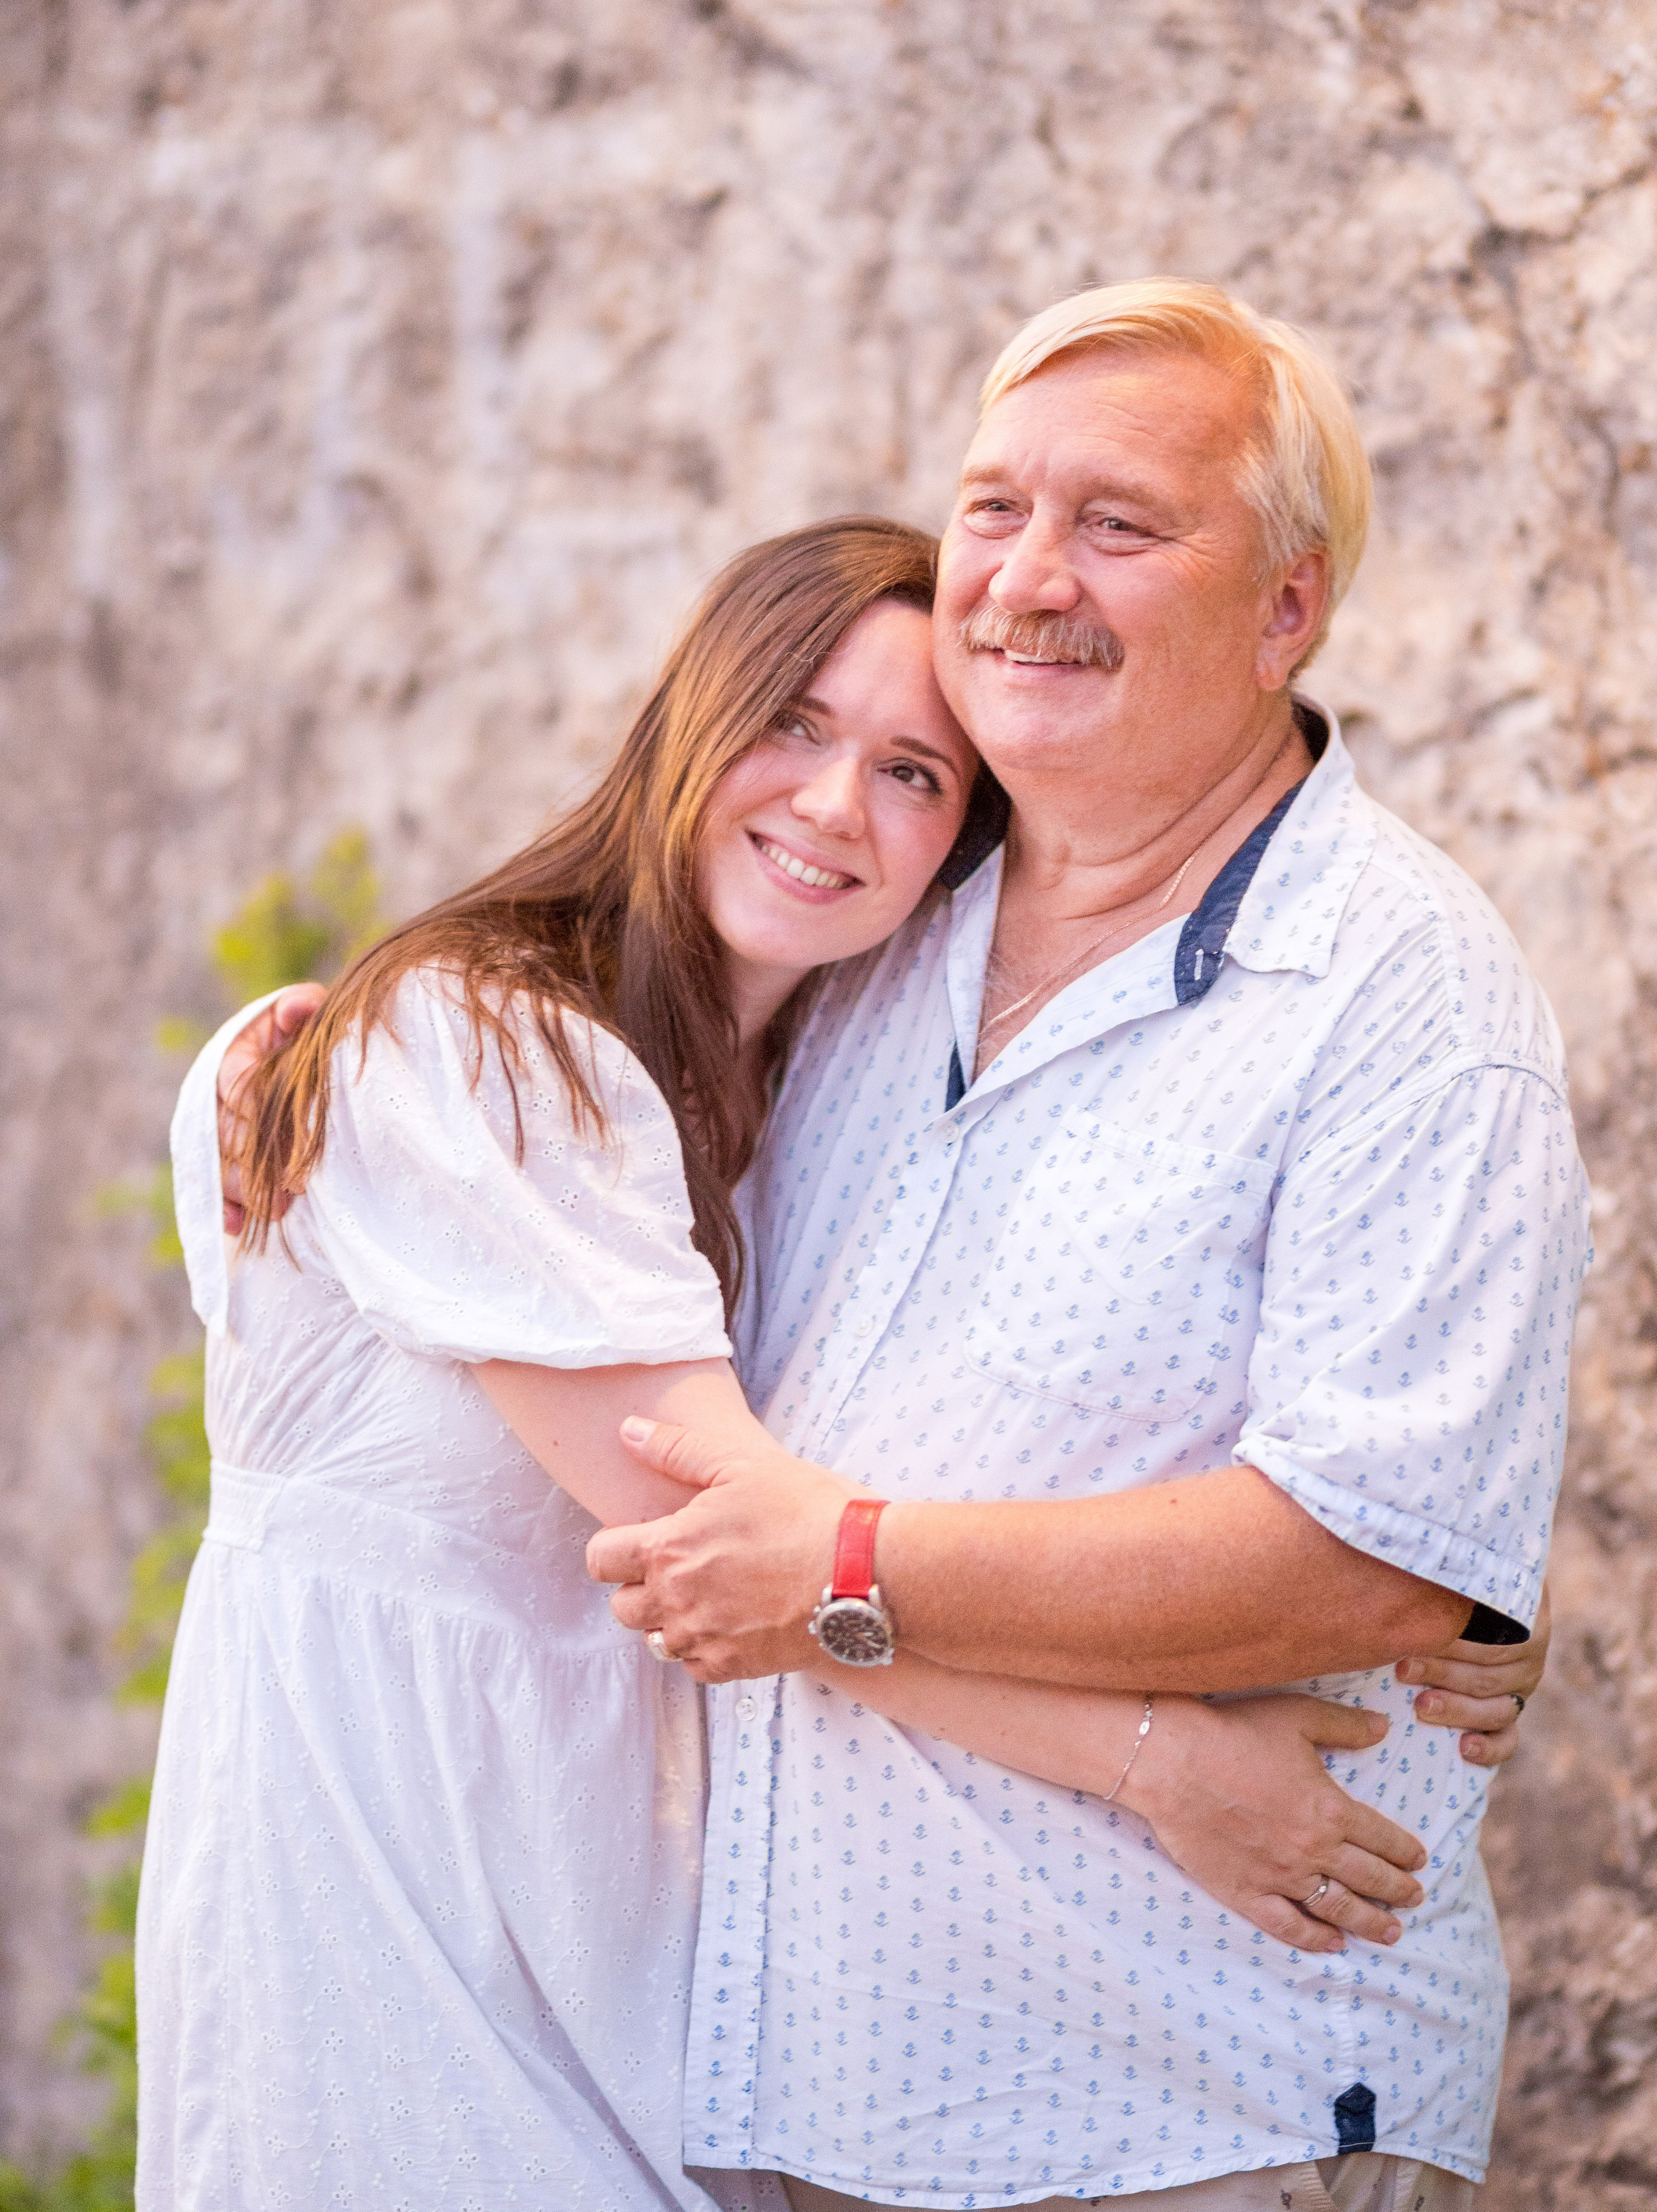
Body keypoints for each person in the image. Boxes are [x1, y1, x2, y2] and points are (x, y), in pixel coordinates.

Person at [147, 513, 1524, 2212]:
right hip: (403, 1916)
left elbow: (907, 1497)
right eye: (789, 722)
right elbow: (739, 1557)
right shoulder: (482, 1046)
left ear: (965, 842)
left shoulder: (800, 1118)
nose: (829, 805)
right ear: (690, 713)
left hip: (648, 1962)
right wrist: (1164, 1761)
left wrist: (1416, 1601)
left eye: (912, 774)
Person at [584, 283, 1589, 2211]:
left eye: (1121, 526)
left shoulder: (1401, 996)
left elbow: (1372, 1550)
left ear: (1287, 604)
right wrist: (351, 1036)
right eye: (992, 510)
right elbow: (615, 1038)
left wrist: (849, 1571)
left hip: (1176, 2109)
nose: (1030, 580)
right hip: (795, 2113)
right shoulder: (892, 909)